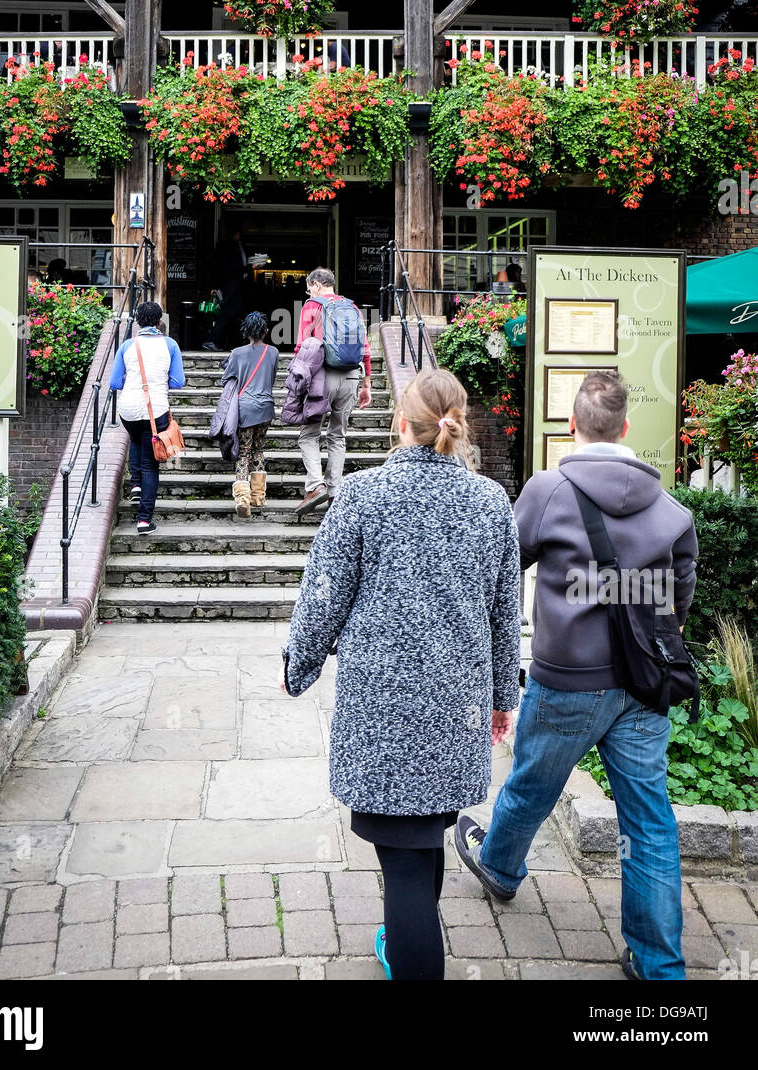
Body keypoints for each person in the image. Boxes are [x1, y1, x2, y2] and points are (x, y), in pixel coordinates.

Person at [454, 371, 699, 982]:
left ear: (572, 426)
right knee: (649, 820)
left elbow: (502, 565)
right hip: (644, 687)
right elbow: (678, 596)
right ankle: (659, 965)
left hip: (566, 678)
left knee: (534, 783)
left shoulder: (548, 491)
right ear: (625, 429)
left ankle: (501, 867)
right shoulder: (672, 511)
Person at [283, 368, 521, 981]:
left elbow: (324, 596)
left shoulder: (364, 496)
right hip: (452, 710)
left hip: (382, 715)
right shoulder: (491, 502)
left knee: (408, 868)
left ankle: (412, 955)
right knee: (422, 842)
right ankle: (405, 936)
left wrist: (299, 665)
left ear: (399, 422)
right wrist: (500, 695)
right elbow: (503, 610)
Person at [295, 267, 372, 515]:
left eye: (309, 287)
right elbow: (365, 347)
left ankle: (316, 485)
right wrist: (367, 383)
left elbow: (302, 347)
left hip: (322, 376)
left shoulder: (311, 306)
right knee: (337, 436)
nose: (309, 292)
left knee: (309, 434)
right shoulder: (352, 306)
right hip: (351, 375)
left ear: (316, 285)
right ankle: (334, 492)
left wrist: (299, 383)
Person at [109, 300, 186, 534]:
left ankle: (135, 485)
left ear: (138, 322)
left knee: (135, 440)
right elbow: (178, 382)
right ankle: (144, 520)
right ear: (160, 321)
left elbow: (114, 383)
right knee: (151, 465)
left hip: (129, 410)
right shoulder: (170, 345)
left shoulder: (127, 346)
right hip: (157, 410)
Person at [220, 310, 279, 518]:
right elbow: (271, 378)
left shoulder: (236, 353)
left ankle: (243, 498)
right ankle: (258, 496)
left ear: (246, 331)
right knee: (259, 449)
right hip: (265, 407)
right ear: (265, 331)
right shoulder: (273, 352)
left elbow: (226, 380)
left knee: (243, 451)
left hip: (245, 409)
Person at [203, 228, 250, 351]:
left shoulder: (230, 247)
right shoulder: (230, 248)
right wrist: (251, 268)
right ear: (236, 234)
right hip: (231, 287)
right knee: (229, 315)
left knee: (233, 315)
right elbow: (234, 269)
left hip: (231, 287)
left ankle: (232, 342)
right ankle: (212, 340)